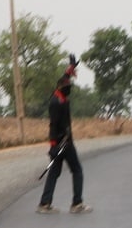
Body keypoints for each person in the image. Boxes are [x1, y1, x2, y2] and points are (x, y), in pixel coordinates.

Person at [37, 54, 92, 214]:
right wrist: (54, 146)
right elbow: (53, 125)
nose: (70, 88)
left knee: (54, 172)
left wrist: (71, 68)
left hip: (63, 143)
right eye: (68, 86)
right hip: (63, 143)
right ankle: (77, 204)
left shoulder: (59, 94)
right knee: (77, 170)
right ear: (62, 88)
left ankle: (44, 203)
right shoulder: (56, 103)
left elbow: (64, 78)